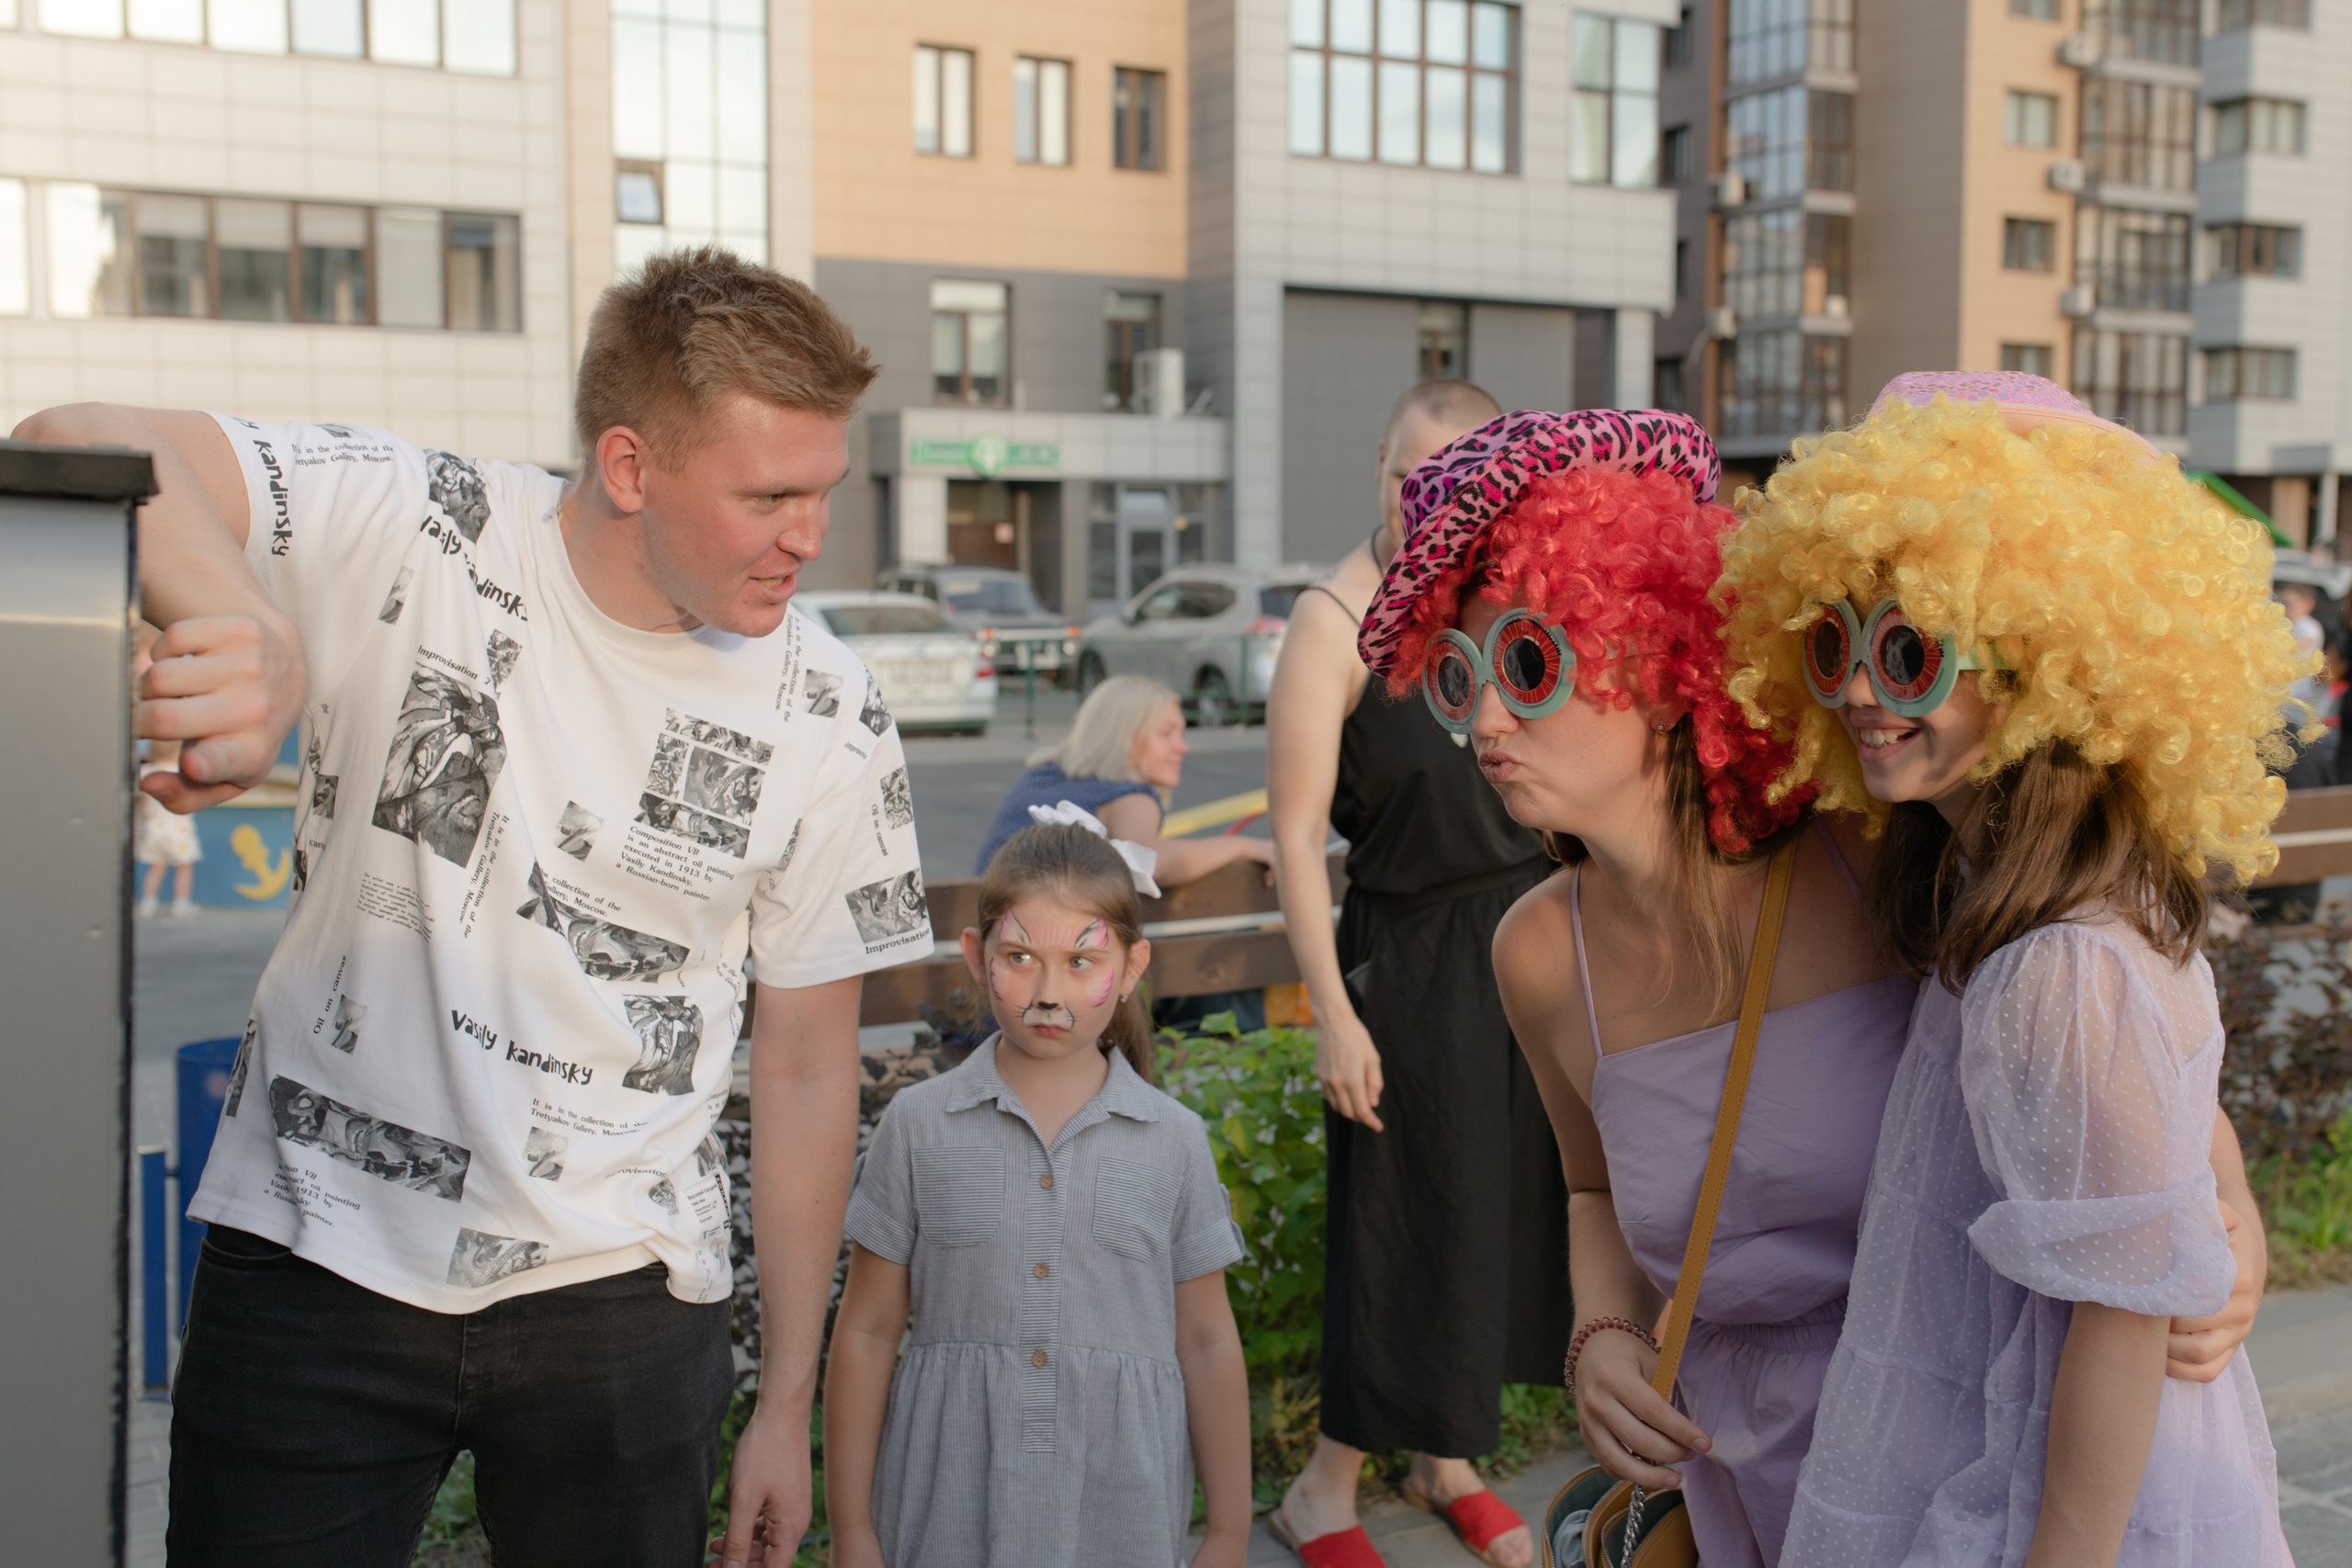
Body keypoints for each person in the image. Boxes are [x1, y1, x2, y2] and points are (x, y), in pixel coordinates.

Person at [17, 248, 928, 1567]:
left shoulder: (832, 710)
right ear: (629, 466)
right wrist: (244, 624)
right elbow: (71, 435)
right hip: (316, 1257)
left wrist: (784, 1403)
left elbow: (802, 1063)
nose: (811, 535)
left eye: (823, 490)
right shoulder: (418, 522)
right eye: (770, 494)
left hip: (621, 1299)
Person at [1359, 404, 2271, 1568]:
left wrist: (2225, 1218)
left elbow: (2098, 1047)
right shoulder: (1537, 954)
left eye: (1529, 664)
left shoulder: (1870, 853)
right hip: (1739, 1461)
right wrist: (1598, 1335)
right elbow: (1590, 1192)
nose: (1484, 721)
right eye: (1456, 677)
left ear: (1656, 655)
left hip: (1956, 1432)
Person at [1720, 371, 2294, 1566]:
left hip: (2063, 1497)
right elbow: (2165, 1130)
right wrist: (2232, 1209)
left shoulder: (2059, 963)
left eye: (1915, 649)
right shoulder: (2031, 898)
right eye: (1838, 641)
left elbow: (2122, 1319)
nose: (1862, 690)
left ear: (2047, 662)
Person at [1264, 378, 1566, 1568]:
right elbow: (1293, 835)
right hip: (1408, 957)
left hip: (1521, 949)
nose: (1429, 493)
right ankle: (1321, 1491)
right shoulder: (1333, 620)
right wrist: (1334, 1013)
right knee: (1398, 1228)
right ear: (1381, 470)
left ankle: (1446, 1459)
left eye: (1459, 472)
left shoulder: (1497, 609)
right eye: (1409, 473)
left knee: (1487, 1218)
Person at [821, 818, 1252, 1568]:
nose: (1049, 992)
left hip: (1119, 1519)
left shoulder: (1174, 1140)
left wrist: (1229, 1533)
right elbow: (864, 1331)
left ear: (1133, 964)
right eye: (1019, 957)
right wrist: (852, 1531)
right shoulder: (919, 1128)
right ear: (975, 956)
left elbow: (1209, 1342)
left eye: (1082, 961)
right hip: (943, 1513)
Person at [974, 672, 1274, 887]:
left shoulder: (1039, 777)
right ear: (1124, 737)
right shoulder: (1129, 796)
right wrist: (1246, 847)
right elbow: (1151, 862)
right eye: (1166, 733)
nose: (1182, 747)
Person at [134, 626, 205, 917]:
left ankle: (148, 903)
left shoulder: (146, 772)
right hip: (177, 829)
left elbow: (141, 801)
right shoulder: (180, 771)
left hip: (153, 829)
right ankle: (181, 903)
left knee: (156, 866)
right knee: (183, 867)